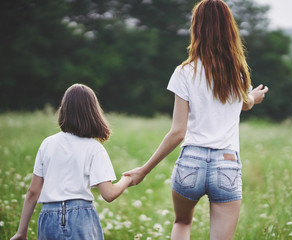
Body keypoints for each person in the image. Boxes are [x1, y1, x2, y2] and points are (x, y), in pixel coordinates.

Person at [123, 0, 269, 239]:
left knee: (182, 223)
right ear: (229, 28)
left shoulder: (184, 72)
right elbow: (242, 103)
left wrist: (144, 170)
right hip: (227, 163)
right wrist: (253, 98)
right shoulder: (238, 71)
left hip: (191, 160)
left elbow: (178, 132)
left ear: (196, 28)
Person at [11, 83, 132, 240]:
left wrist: (21, 232)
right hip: (80, 216)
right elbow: (108, 194)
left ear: (64, 110)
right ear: (93, 112)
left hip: (48, 216)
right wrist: (127, 180)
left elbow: (33, 192)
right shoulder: (94, 148)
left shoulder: (47, 144)